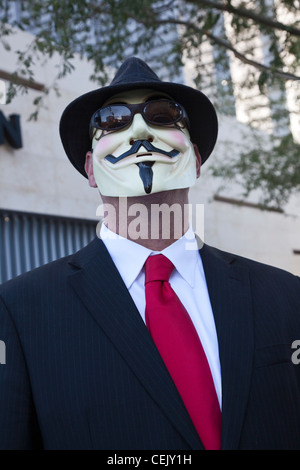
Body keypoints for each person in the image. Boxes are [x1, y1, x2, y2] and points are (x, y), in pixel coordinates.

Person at [0, 57, 299, 451]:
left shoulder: (285, 296)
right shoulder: (21, 311)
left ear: (194, 158)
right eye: (112, 122)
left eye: (163, 116)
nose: (140, 132)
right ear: (90, 169)